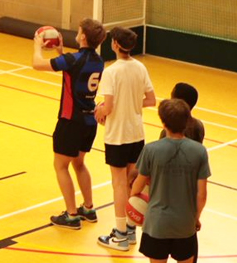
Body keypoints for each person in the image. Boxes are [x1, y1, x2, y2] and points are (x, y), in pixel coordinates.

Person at [30, 18, 106, 230]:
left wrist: (38, 46)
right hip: (88, 121)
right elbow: (73, 71)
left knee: (60, 165)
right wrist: (60, 52)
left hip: (70, 120)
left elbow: (37, 64)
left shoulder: (74, 60)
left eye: (80, 30)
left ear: (82, 36)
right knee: (79, 163)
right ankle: (88, 209)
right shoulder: (98, 60)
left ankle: (71, 215)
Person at [94, 27, 156, 251]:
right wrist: (130, 105)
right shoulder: (140, 67)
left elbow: (107, 107)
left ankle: (120, 235)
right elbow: (151, 100)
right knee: (132, 181)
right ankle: (130, 229)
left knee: (119, 183)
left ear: (115, 45)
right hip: (136, 134)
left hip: (118, 135)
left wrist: (101, 110)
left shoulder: (111, 71)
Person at [129, 99, 210, 263]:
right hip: (185, 225)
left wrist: (134, 199)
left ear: (163, 122)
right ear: (187, 121)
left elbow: (137, 186)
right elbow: (202, 195)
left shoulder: (150, 150)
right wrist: (195, 217)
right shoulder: (199, 151)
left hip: (157, 224)